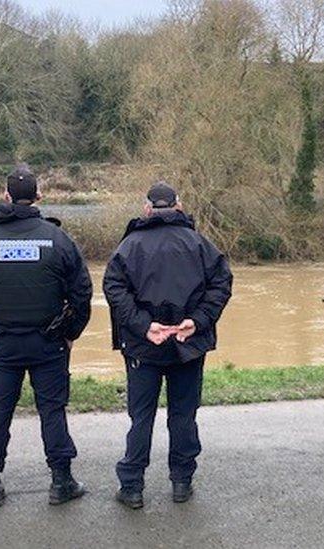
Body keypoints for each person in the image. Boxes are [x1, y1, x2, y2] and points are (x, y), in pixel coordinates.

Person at [0, 164, 93, 509]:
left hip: (1, 344)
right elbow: (82, 293)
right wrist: (70, 333)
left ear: (5, 196)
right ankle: (61, 482)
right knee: (52, 411)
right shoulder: (57, 239)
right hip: (48, 342)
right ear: (38, 197)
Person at [103, 181, 233, 509]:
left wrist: (144, 326)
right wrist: (198, 321)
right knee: (184, 414)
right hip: (188, 342)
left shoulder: (129, 245)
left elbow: (113, 288)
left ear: (147, 209)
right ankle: (181, 481)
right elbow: (222, 284)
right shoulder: (200, 243)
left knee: (141, 416)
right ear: (178, 205)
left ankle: (132, 486)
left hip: (143, 346)